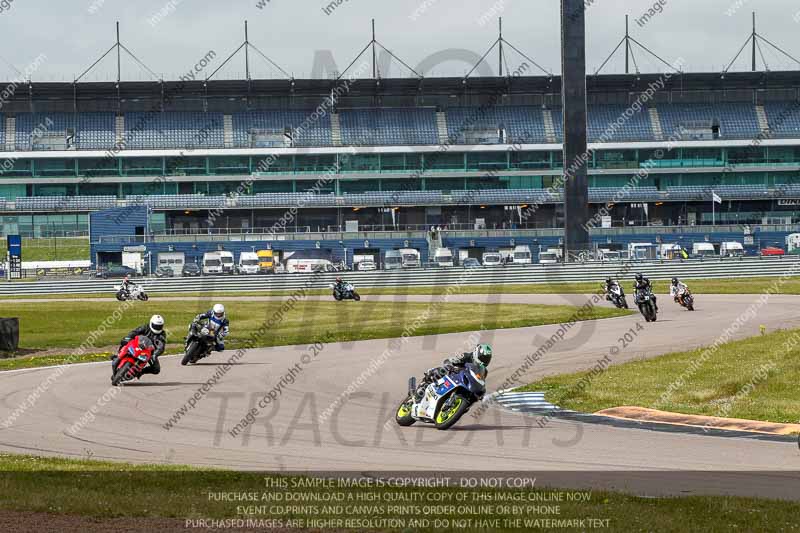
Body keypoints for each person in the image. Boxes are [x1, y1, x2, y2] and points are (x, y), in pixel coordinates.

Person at [414, 344, 493, 401]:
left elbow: (481, 382)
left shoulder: (484, 371)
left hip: (464, 383)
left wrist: (481, 392)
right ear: (477, 353)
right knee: (441, 371)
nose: (484, 360)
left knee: (471, 398)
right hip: (453, 375)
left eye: (486, 359)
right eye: (483, 358)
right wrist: (451, 364)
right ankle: (423, 387)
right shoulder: (466, 356)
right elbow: (450, 360)